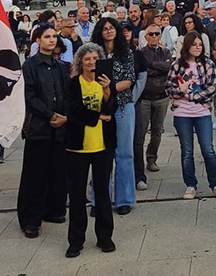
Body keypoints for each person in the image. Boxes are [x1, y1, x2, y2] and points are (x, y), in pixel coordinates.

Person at [17, 24, 69, 239]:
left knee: (56, 171)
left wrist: (64, 116)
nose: (51, 40)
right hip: (39, 127)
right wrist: (49, 115)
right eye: (46, 37)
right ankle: (31, 219)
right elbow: (29, 95)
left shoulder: (60, 66)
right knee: (35, 174)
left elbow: (66, 93)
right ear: (37, 40)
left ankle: (53, 209)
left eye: (53, 36)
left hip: (59, 129)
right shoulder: (29, 66)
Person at [63, 44, 116, 257]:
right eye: (87, 59)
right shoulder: (73, 84)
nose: (91, 63)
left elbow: (111, 111)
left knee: (102, 193)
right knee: (76, 195)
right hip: (77, 146)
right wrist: (97, 117)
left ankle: (105, 237)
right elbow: (72, 111)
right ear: (80, 62)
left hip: (102, 146)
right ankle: (76, 240)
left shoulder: (105, 83)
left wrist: (107, 93)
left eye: (95, 59)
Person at [166, 32, 216, 200]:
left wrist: (188, 96)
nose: (198, 47)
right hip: (182, 113)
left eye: (200, 44)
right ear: (187, 46)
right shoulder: (177, 65)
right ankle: (190, 185)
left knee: (208, 150)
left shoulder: (208, 64)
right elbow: (168, 87)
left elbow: (211, 89)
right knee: (187, 151)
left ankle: (215, 184)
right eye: (194, 44)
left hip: (202, 112)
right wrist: (179, 91)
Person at [93, 18, 142, 216]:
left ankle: (124, 199)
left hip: (123, 106)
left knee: (124, 153)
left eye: (111, 28)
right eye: (104, 29)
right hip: (99, 108)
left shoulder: (127, 53)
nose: (108, 31)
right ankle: (99, 200)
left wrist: (109, 87)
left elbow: (129, 80)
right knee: (101, 155)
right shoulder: (94, 53)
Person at [134, 24, 173, 191]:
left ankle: (152, 157)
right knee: (140, 132)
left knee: (157, 130)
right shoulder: (140, 53)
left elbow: (169, 67)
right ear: (146, 36)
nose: (154, 36)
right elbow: (142, 71)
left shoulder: (166, 52)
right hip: (144, 98)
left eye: (157, 33)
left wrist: (152, 66)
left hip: (161, 96)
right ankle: (139, 163)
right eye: (151, 34)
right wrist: (158, 67)